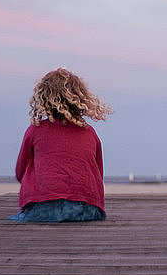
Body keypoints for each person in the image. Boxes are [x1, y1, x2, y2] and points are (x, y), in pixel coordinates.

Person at [8, 67, 112, 223]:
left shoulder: (35, 130)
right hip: (88, 209)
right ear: (81, 100)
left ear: (42, 99)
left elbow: (20, 172)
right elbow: (98, 173)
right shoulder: (89, 133)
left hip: (43, 207)